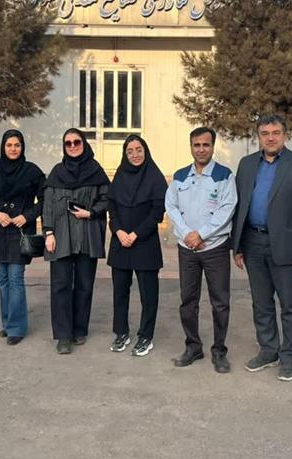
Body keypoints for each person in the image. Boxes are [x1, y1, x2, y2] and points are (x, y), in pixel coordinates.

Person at [232, 114, 292, 382]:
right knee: (261, 303)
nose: (270, 138)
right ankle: (269, 350)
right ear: (258, 136)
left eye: (276, 133)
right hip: (253, 242)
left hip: (287, 247)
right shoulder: (247, 164)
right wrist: (238, 245)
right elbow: (240, 206)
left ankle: (290, 356)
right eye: (265, 133)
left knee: (290, 306)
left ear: (285, 135)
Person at [165, 127, 237, 373]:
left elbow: (227, 209)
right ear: (191, 147)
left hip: (214, 248)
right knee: (188, 301)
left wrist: (202, 235)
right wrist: (188, 235)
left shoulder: (224, 175)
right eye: (197, 145)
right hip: (187, 249)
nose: (201, 149)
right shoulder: (180, 176)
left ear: (212, 146)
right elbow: (171, 207)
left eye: (206, 145)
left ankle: (219, 351)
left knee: (220, 302)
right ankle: (193, 347)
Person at [43, 129, 110, 354]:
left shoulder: (96, 171)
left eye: (76, 142)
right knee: (60, 285)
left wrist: (91, 212)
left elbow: (107, 199)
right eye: (68, 143)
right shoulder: (57, 172)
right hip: (61, 236)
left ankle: (79, 329)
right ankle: (63, 336)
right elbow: (48, 205)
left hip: (87, 235)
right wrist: (48, 233)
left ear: (84, 143)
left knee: (84, 285)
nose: (72, 146)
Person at [0, 129, 45, 346]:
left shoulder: (32, 171)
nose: (13, 149)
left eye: (17, 145)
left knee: (16, 278)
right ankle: (8, 323)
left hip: (19, 230)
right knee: (3, 281)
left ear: (22, 147)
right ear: (3, 147)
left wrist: (26, 216)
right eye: (9, 145)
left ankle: (17, 328)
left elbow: (44, 199)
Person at [107, 135, 167, 357]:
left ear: (145, 151)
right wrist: (118, 231)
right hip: (120, 241)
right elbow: (112, 208)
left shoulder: (155, 177)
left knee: (148, 295)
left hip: (145, 242)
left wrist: (135, 234)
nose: (134, 154)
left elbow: (157, 213)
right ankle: (121, 333)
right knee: (120, 292)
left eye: (138, 149)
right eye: (130, 151)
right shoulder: (120, 176)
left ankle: (145, 336)